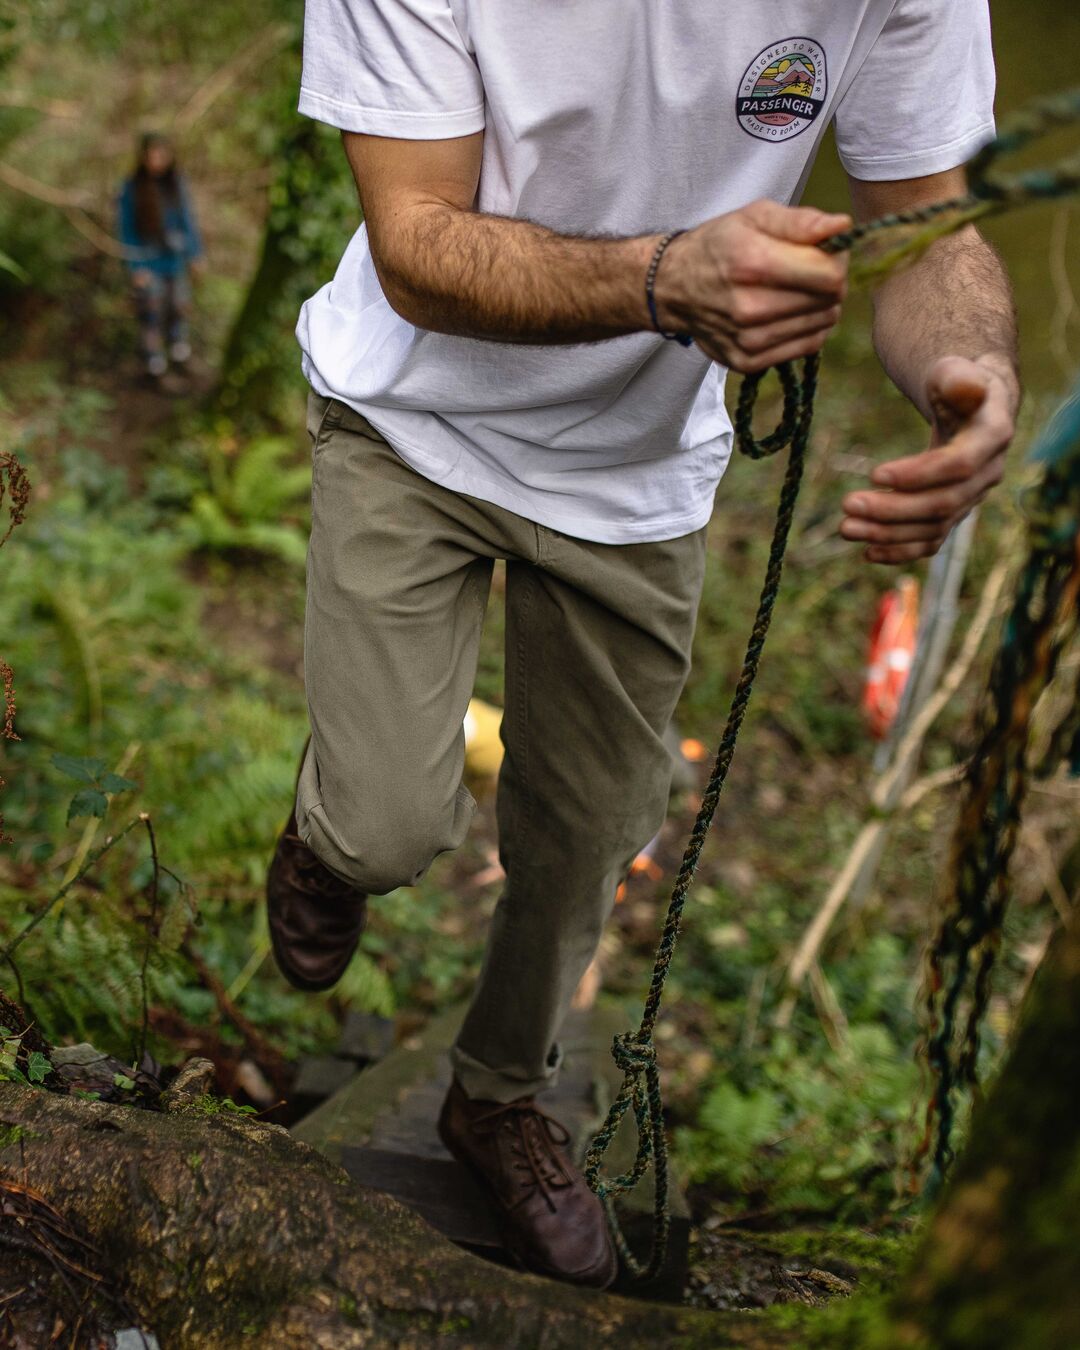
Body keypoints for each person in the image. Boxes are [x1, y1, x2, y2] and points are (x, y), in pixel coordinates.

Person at [267, 0, 1019, 1290]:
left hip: (634, 476)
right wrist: (670, 280)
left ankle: (497, 1097)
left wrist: (971, 375)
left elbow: (924, 227)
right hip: (412, 420)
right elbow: (417, 241)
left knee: (592, 831)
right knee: (387, 825)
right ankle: (331, 845)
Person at [116, 132, 204, 380]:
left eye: (161, 153)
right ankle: (152, 361)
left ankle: (178, 353)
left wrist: (195, 254)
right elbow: (126, 229)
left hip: (174, 259)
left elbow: (187, 221)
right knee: (151, 309)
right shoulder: (131, 188)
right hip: (147, 259)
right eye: (152, 154)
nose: (156, 159)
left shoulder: (176, 184)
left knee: (178, 304)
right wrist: (135, 266)